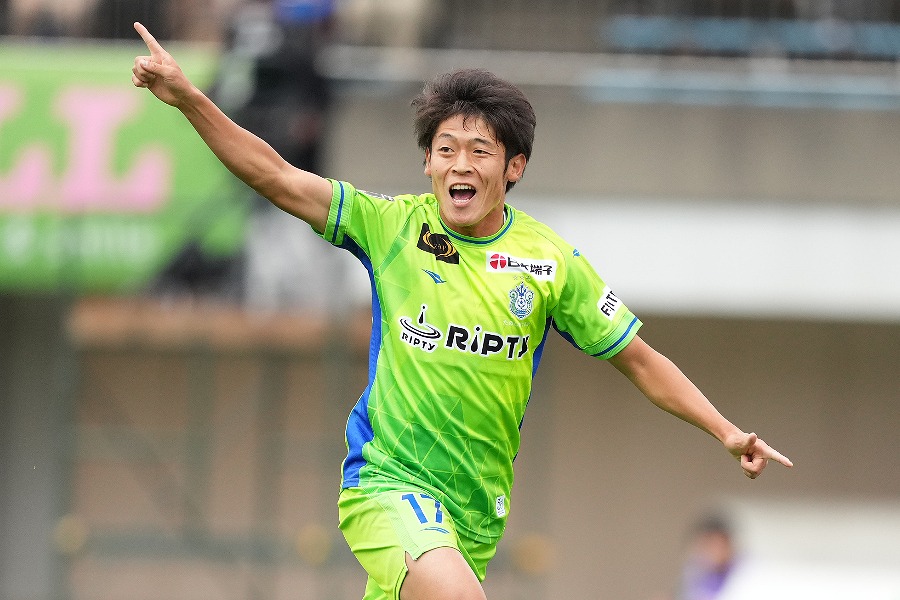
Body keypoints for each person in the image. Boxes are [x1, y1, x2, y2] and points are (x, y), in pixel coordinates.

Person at [131, 22, 793, 600]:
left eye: (480, 152)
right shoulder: (390, 227)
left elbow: (640, 360)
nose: (460, 165)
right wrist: (190, 99)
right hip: (386, 486)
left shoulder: (550, 262)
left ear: (514, 168)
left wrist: (725, 430)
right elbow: (275, 175)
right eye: (447, 149)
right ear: (427, 162)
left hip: (474, 516)